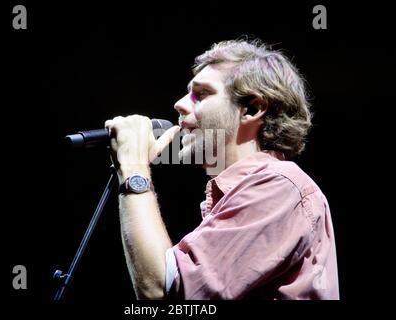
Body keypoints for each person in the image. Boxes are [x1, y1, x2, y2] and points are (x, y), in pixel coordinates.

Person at [104, 39, 339, 300]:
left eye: (201, 94)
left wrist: (134, 168)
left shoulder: (280, 187)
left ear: (251, 109)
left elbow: (163, 293)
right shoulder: (250, 192)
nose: (180, 104)